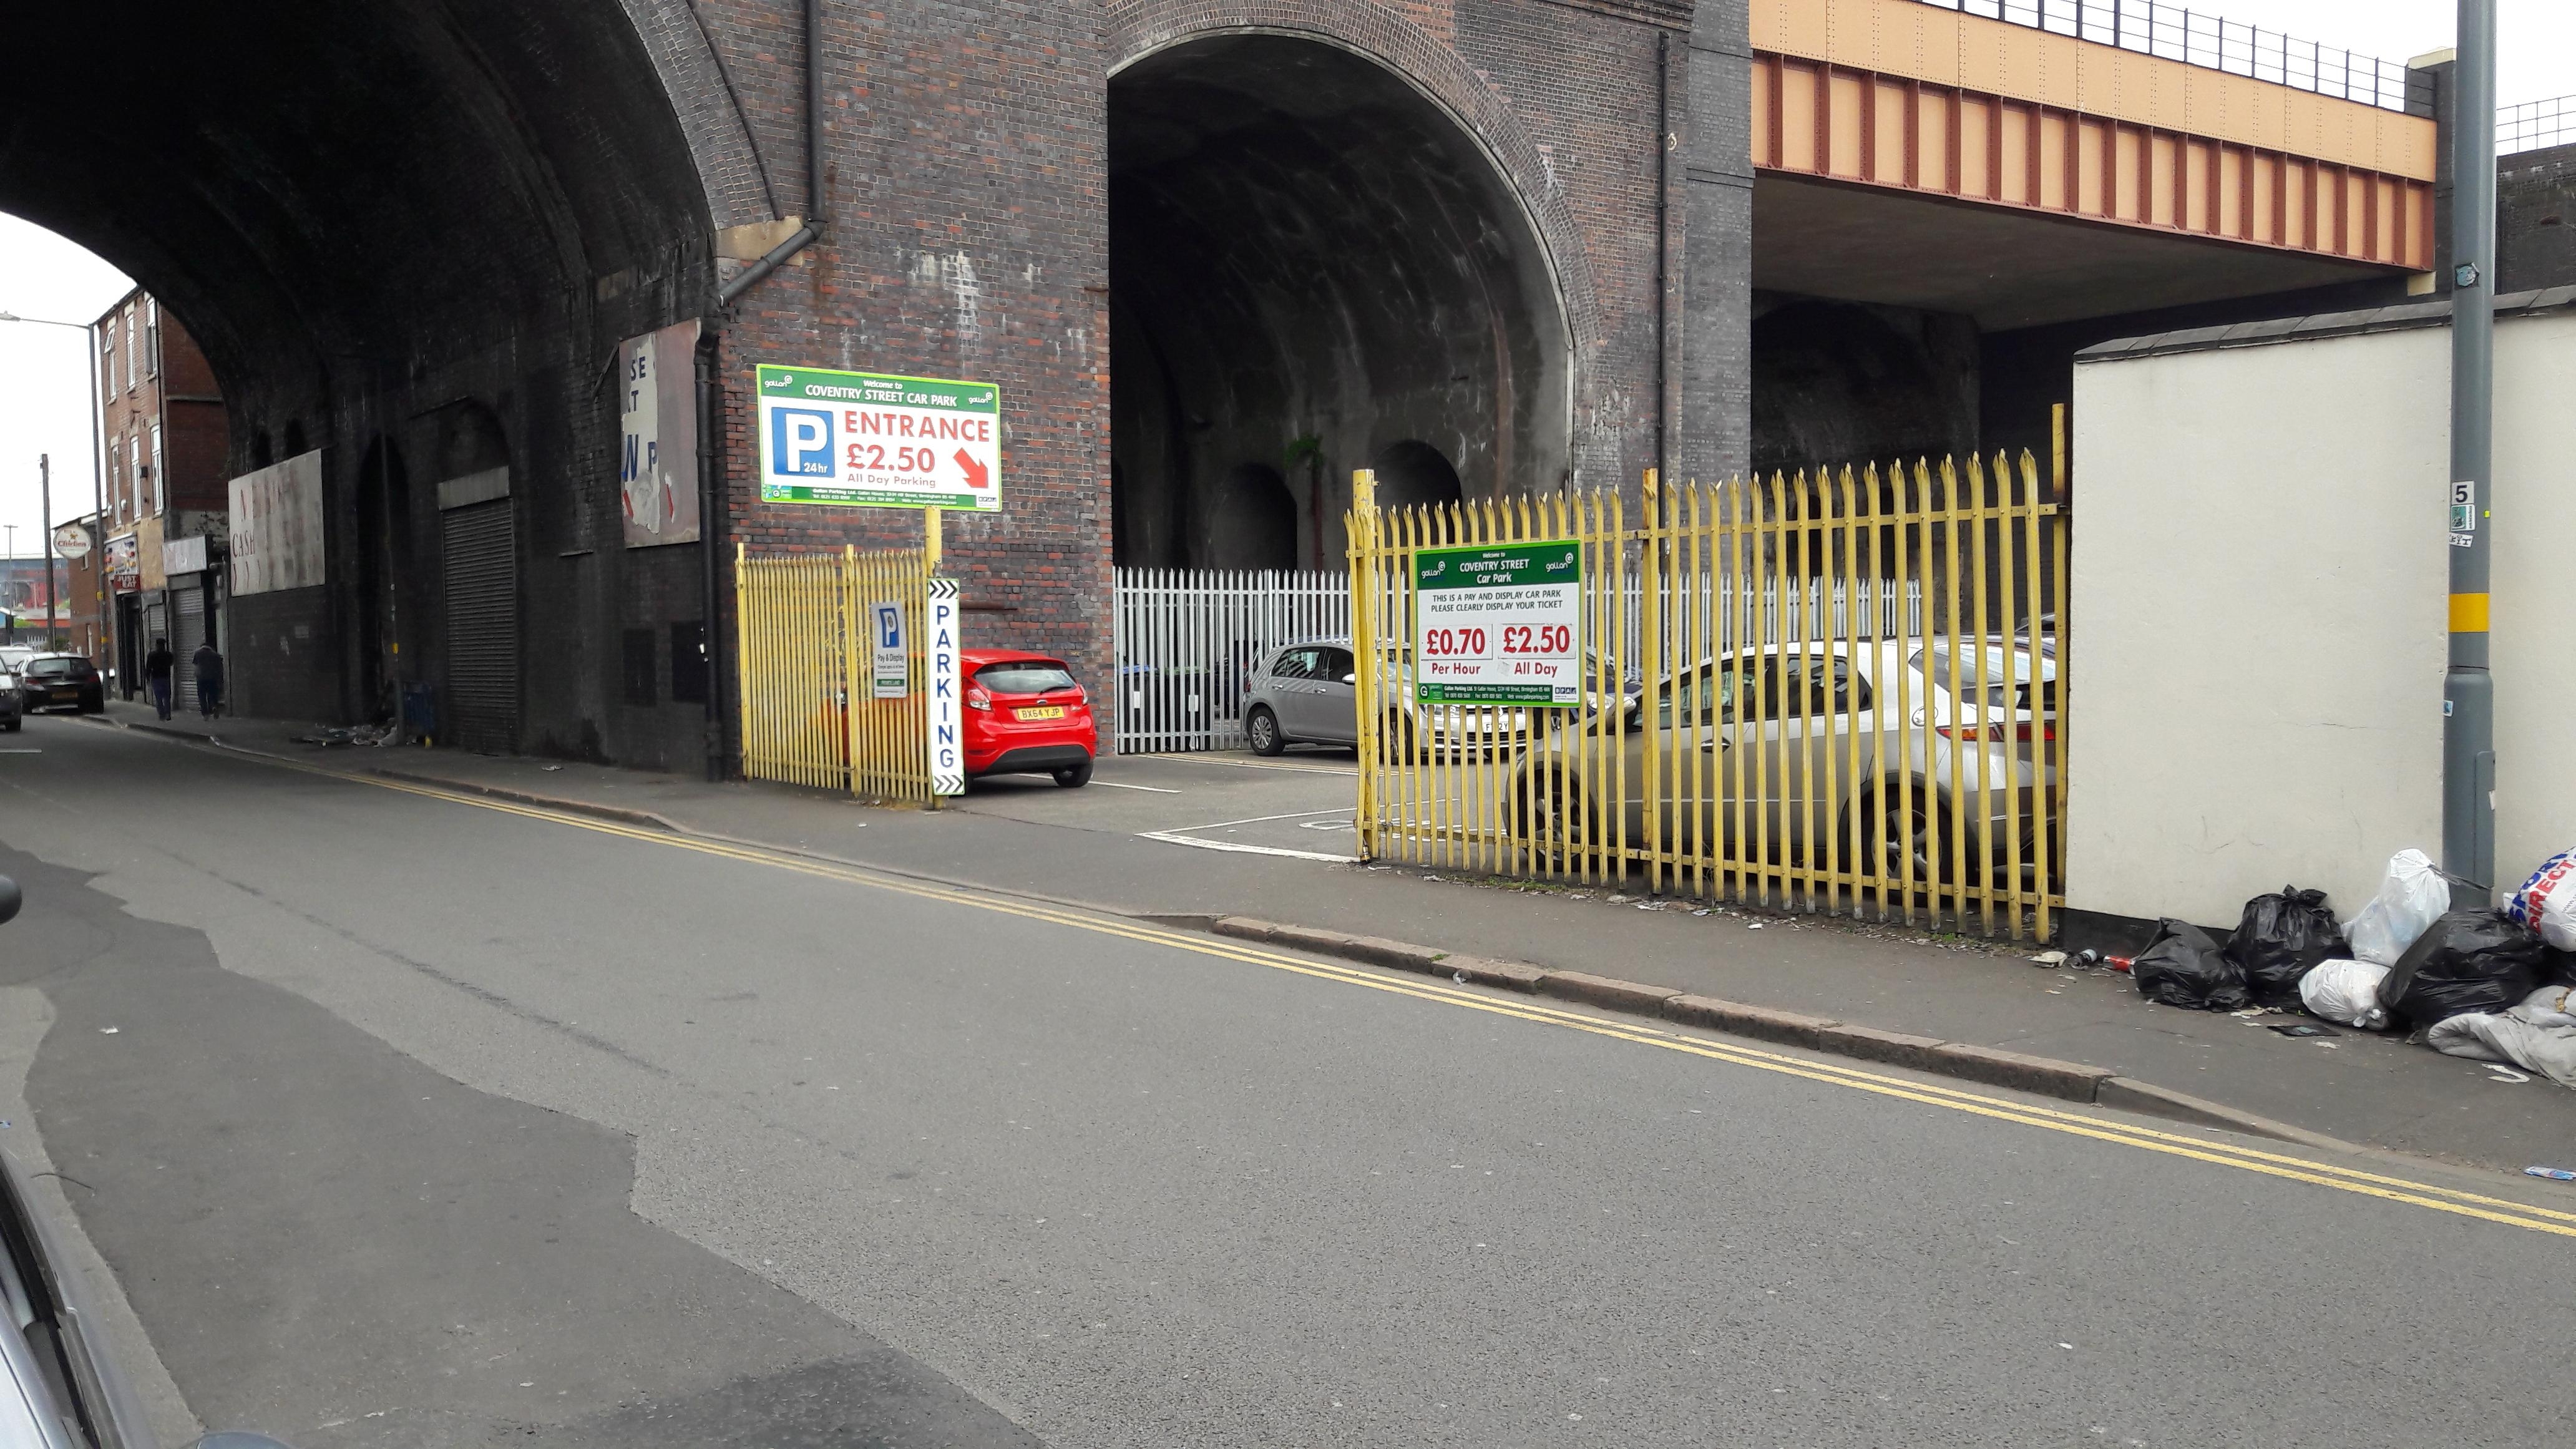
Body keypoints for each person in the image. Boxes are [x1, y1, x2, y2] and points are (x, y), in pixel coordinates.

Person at [191, 640, 225, 719]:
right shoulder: (215, 654)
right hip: (212, 678)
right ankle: (214, 707)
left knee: (202, 696)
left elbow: (195, 665)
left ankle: (205, 714)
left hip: (201, 678)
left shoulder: (197, 653)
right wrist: (220, 679)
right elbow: (220, 668)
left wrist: (195, 674)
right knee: (213, 695)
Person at [144, 639, 175, 720]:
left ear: (156, 645)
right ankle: (168, 714)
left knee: (159, 698)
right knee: (167, 697)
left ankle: (162, 714)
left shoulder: (152, 655)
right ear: (164, 645)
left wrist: (147, 678)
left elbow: (148, 668)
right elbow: (171, 663)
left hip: (156, 679)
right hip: (166, 677)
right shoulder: (168, 655)